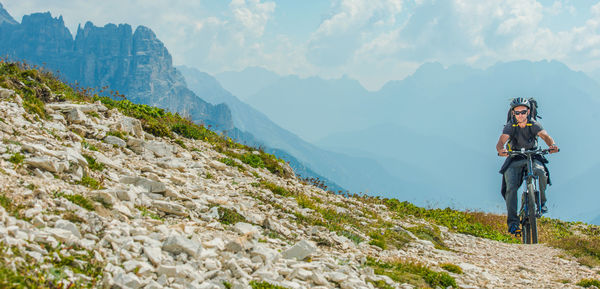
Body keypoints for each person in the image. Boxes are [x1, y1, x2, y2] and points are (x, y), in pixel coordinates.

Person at [496, 97, 559, 235]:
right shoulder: (510, 126)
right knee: (511, 188)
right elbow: (501, 141)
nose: (520, 115)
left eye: (523, 112)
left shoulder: (534, 124)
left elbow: (545, 135)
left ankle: (541, 203)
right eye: (517, 113)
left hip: (533, 155)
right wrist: (501, 150)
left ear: (528, 112)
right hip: (515, 158)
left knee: (541, 173)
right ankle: (513, 223)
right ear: (513, 113)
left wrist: (552, 145)